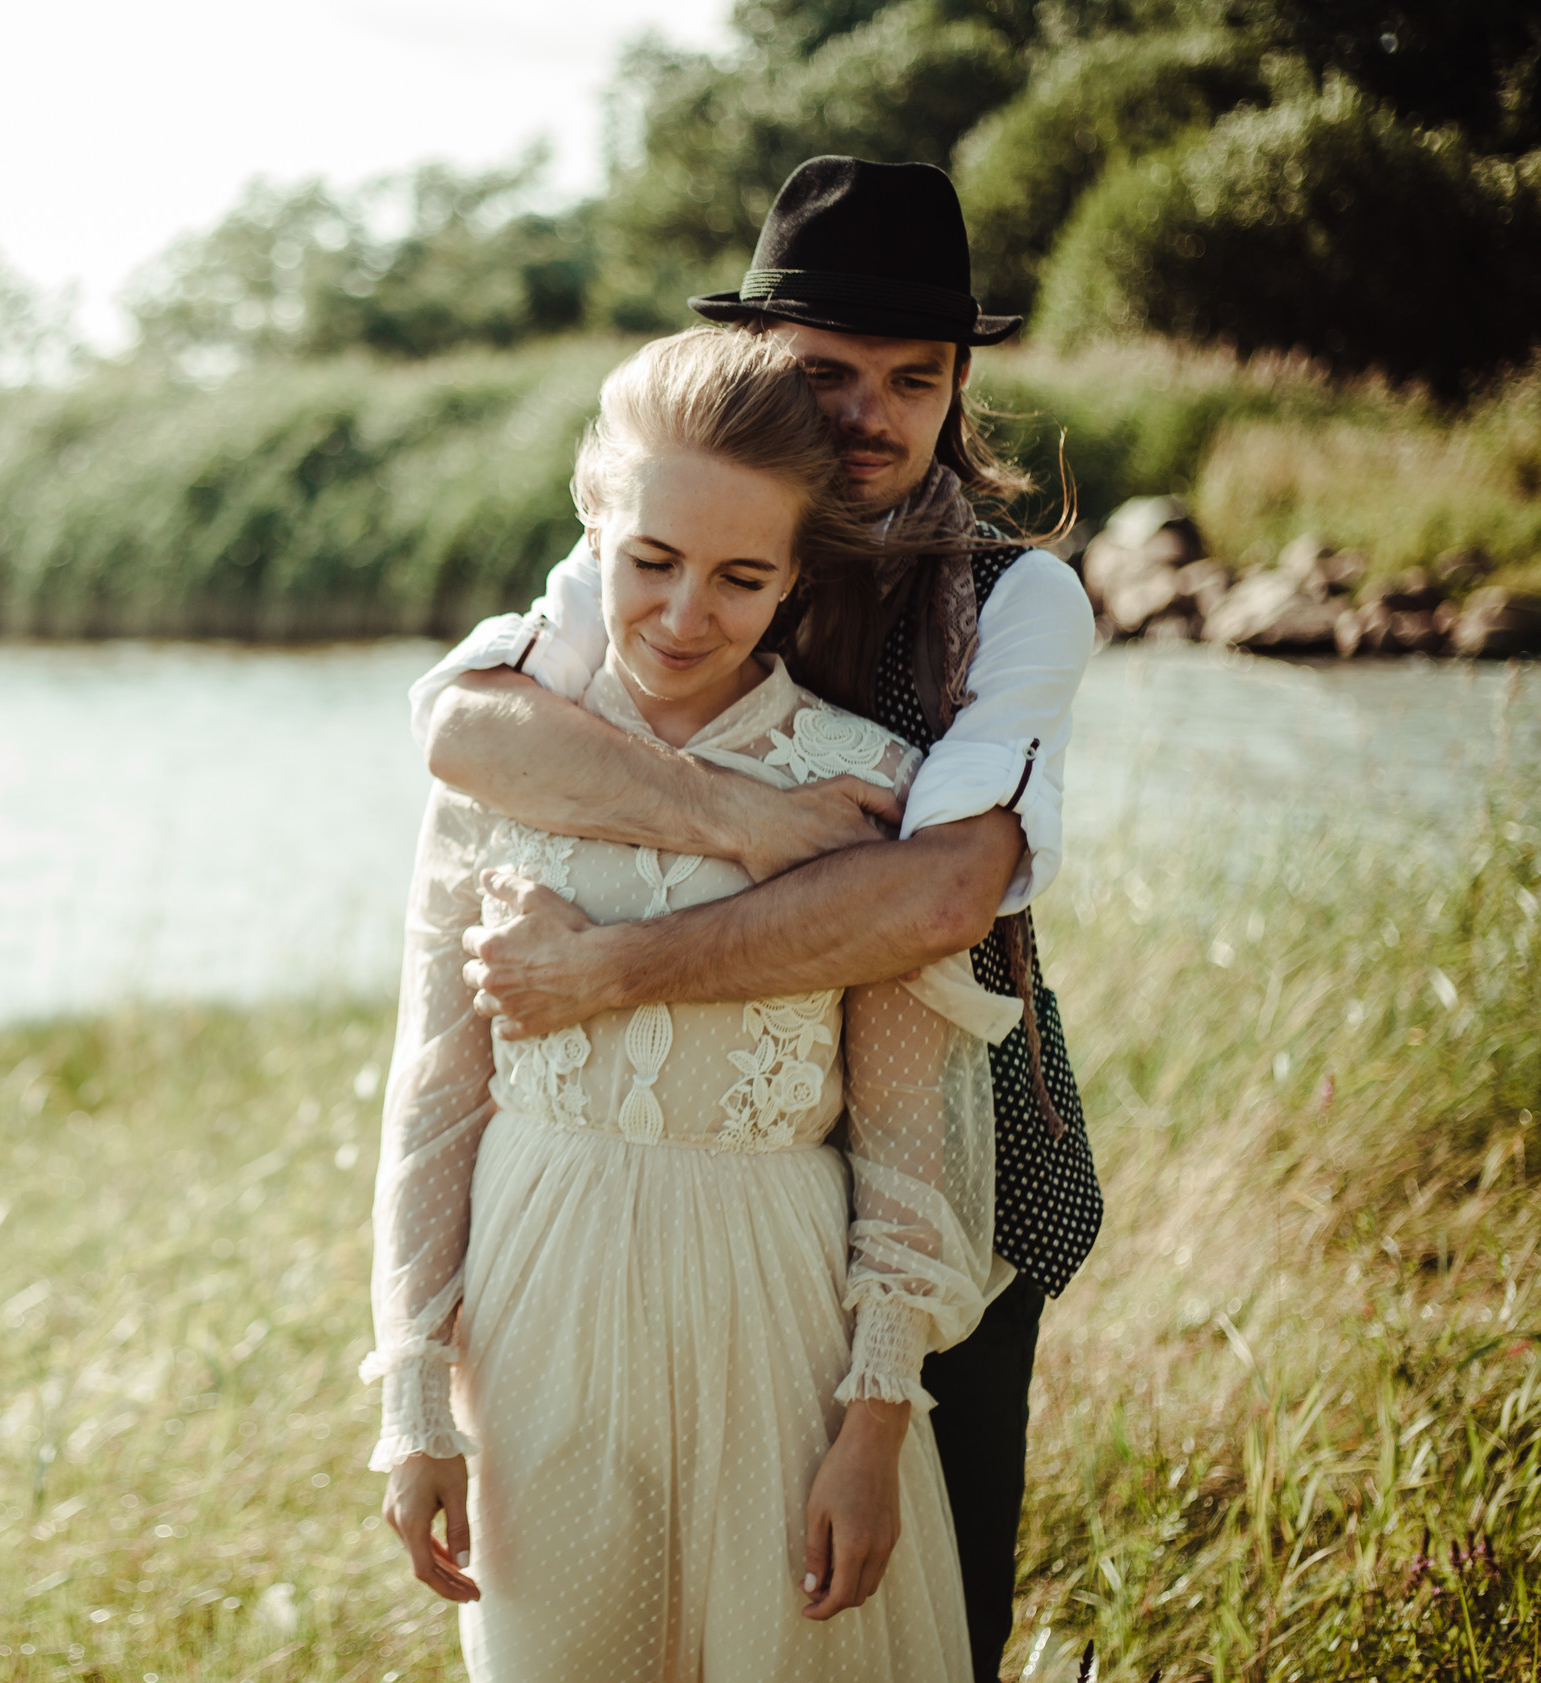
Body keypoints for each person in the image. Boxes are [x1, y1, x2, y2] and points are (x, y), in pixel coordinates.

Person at [405, 157, 1101, 1679]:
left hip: (959, 1161)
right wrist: (740, 818)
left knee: (913, 1603)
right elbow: (467, 731)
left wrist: (606, 973)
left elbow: (939, 891)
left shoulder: (1021, 599)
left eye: (913, 381)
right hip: (640, 1192)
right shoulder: (667, 528)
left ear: (960, 387)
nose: (868, 417)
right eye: (826, 375)